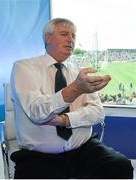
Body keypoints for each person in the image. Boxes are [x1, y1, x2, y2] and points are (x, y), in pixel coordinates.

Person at [10, 18, 133, 179]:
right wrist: (76, 89)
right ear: (48, 38)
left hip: (83, 148)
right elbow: (37, 112)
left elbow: (97, 112)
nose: (71, 39)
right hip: (39, 155)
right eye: (64, 34)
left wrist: (66, 120)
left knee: (120, 166)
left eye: (73, 35)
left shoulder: (79, 72)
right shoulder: (24, 68)